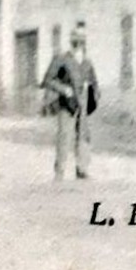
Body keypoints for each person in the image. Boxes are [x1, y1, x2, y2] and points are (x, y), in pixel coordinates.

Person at [41, 23, 99, 181]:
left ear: (85, 40)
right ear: (71, 39)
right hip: (66, 104)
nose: (79, 40)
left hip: (83, 103)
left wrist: (93, 92)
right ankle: (59, 172)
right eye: (76, 36)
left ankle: (82, 169)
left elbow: (94, 81)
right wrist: (63, 89)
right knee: (64, 136)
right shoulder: (61, 59)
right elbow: (47, 80)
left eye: (82, 37)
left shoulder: (87, 62)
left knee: (84, 136)